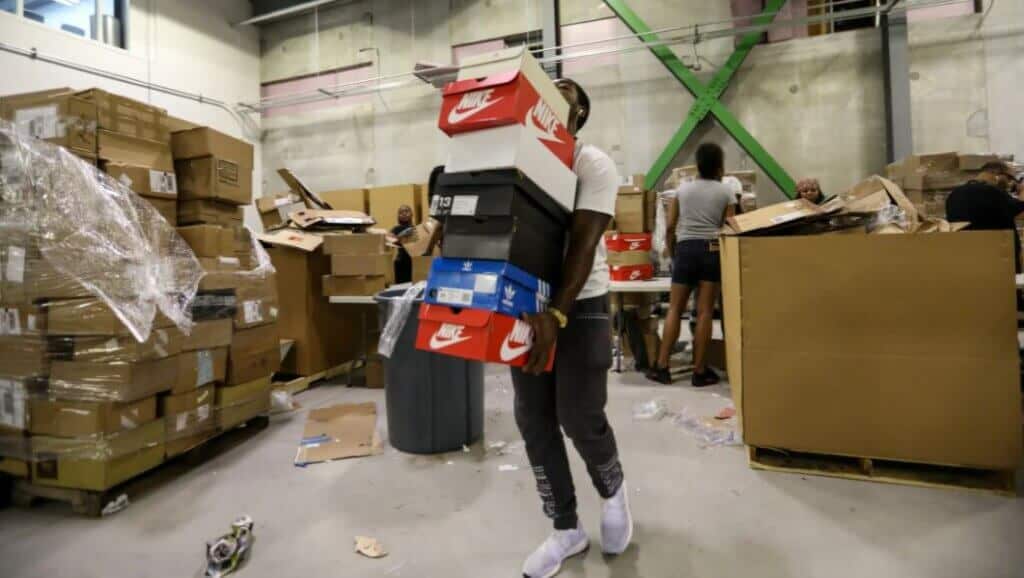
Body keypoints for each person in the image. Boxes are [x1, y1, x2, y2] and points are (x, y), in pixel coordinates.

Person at [515, 77, 632, 577]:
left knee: (579, 414)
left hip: (580, 305)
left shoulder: (592, 164)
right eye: (546, 88)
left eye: (565, 93)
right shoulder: (518, 165)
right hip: (525, 304)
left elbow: (582, 247)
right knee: (533, 419)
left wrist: (557, 315)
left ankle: (614, 493)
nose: (552, 93)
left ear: (579, 114)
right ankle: (566, 528)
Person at [646, 143, 736, 386]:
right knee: (705, 311)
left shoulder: (682, 191)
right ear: (719, 166)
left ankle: (662, 367)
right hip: (711, 250)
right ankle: (699, 370)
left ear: (698, 165)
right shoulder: (726, 192)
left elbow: (671, 226)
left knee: (675, 309)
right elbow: (730, 227)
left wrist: (675, 254)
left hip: (685, 250)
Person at [946, 161, 1024, 273]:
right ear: (996, 173)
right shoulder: (991, 192)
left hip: (967, 260)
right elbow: (1021, 211)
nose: (1010, 183)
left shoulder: (954, 194)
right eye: (1009, 178)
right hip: (998, 262)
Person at [391, 205, 414, 284]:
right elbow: (389, 241)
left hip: (413, 260)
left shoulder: (416, 228)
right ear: (398, 216)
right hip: (401, 261)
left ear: (411, 214)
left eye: (407, 211)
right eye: (401, 212)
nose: (404, 214)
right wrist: (402, 235)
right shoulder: (395, 229)